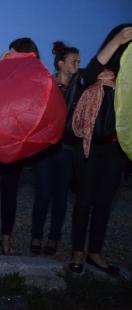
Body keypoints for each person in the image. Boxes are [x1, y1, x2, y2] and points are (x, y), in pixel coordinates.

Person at [68, 24, 132, 276]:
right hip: (89, 147)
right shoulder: (99, 72)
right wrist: (117, 40)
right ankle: (77, 252)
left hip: (115, 149)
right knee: (84, 201)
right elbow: (85, 77)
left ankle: (95, 252)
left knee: (104, 203)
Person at [0, 38, 39, 255]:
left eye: (13, 53)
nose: (8, 55)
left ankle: (6, 237)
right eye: (8, 52)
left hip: (14, 142)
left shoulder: (33, 78)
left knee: (10, 192)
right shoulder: (1, 72)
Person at [30, 41, 81, 255]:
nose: (78, 64)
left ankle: (53, 238)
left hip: (68, 149)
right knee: (43, 193)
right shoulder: (47, 84)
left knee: (61, 196)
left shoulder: (80, 88)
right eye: (73, 61)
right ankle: (36, 236)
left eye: (79, 61)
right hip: (45, 149)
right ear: (61, 64)